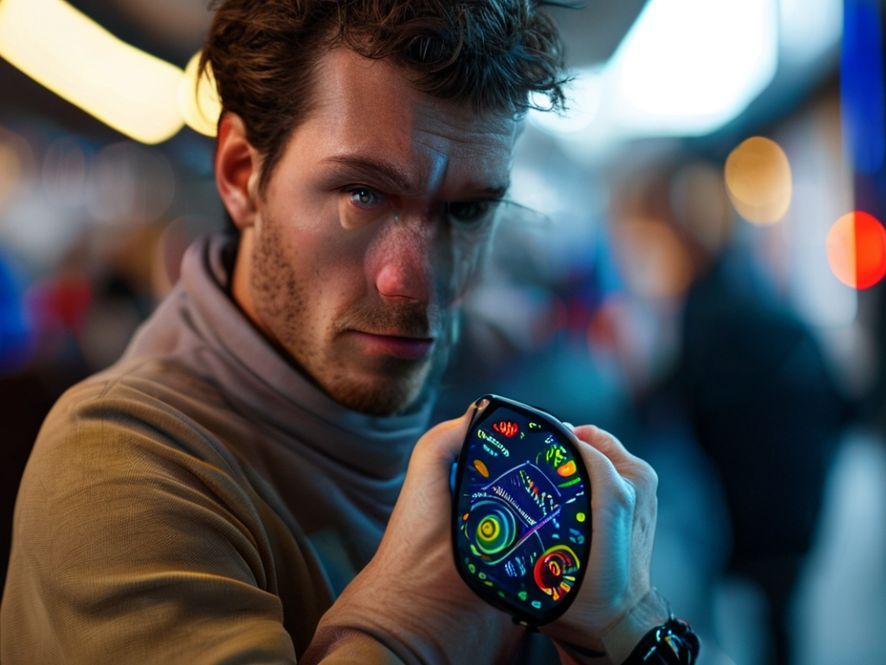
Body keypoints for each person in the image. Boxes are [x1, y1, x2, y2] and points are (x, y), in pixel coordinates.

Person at [1, 2, 697, 663]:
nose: (416, 281)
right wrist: (401, 627)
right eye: (363, 194)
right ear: (242, 174)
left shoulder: (490, 396)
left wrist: (627, 627)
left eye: (467, 211)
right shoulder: (120, 463)